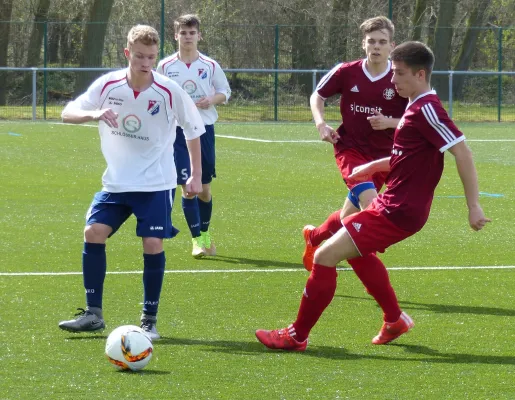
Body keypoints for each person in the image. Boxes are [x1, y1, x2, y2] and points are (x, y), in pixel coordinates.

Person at [256, 41, 491, 351]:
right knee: (348, 237)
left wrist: (473, 206)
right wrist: (368, 167)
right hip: (391, 202)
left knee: (325, 257)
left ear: (420, 74)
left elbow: (462, 151)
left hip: (399, 211)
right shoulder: (414, 104)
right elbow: (404, 157)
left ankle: (296, 336)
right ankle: (394, 319)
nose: (392, 82)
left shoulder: (427, 109)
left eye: (399, 74)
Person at [58, 25, 205, 340]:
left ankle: (149, 320)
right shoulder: (108, 85)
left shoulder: (168, 90)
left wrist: (195, 174)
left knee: (152, 243)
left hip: (155, 184)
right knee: (93, 232)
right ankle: (93, 314)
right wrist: (94, 114)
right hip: (116, 183)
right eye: (139, 55)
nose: (145, 62)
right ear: (127, 53)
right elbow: (67, 112)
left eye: (151, 56)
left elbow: (194, 130)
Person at [305, 16, 408, 272]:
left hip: (385, 157)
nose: (376, 47)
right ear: (363, 44)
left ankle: (314, 237)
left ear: (391, 46)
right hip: (349, 148)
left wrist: (389, 122)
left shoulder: (401, 77)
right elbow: (317, 96)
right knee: (372, 210)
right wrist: (321, 124)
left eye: (382, 42)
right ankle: (380, 289)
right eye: (371, 41)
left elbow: (414, 118)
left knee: (347, 217)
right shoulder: (346, 71)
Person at [157, 14, 231, 258]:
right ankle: (197, 240)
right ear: (175, 35)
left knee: (204, 190)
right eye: (183, 33)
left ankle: (206, 234)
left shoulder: (210, 65)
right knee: (188, 188)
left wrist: (211, 99)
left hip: (204, 130)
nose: (187, 37)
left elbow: (224, 92)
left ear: (199, 35)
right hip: (178, 132)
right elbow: (158, 94)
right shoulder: (165, 66)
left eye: (192, 33)